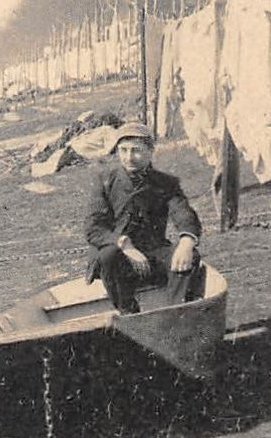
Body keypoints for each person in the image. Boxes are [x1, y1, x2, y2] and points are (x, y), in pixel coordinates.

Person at [85, 123, 202, 314]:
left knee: (190, 257)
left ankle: (175, 314)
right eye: (123, 150)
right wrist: (124, 244)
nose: (128, 157)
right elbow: (93, 227)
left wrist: (187, 241)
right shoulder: (105, 180)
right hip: (117, 257)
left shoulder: (166, 183)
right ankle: (128, 313)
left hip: (152, 252)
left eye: (136, 151)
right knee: (108, 255)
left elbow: (183, 213)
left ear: (150, 151)